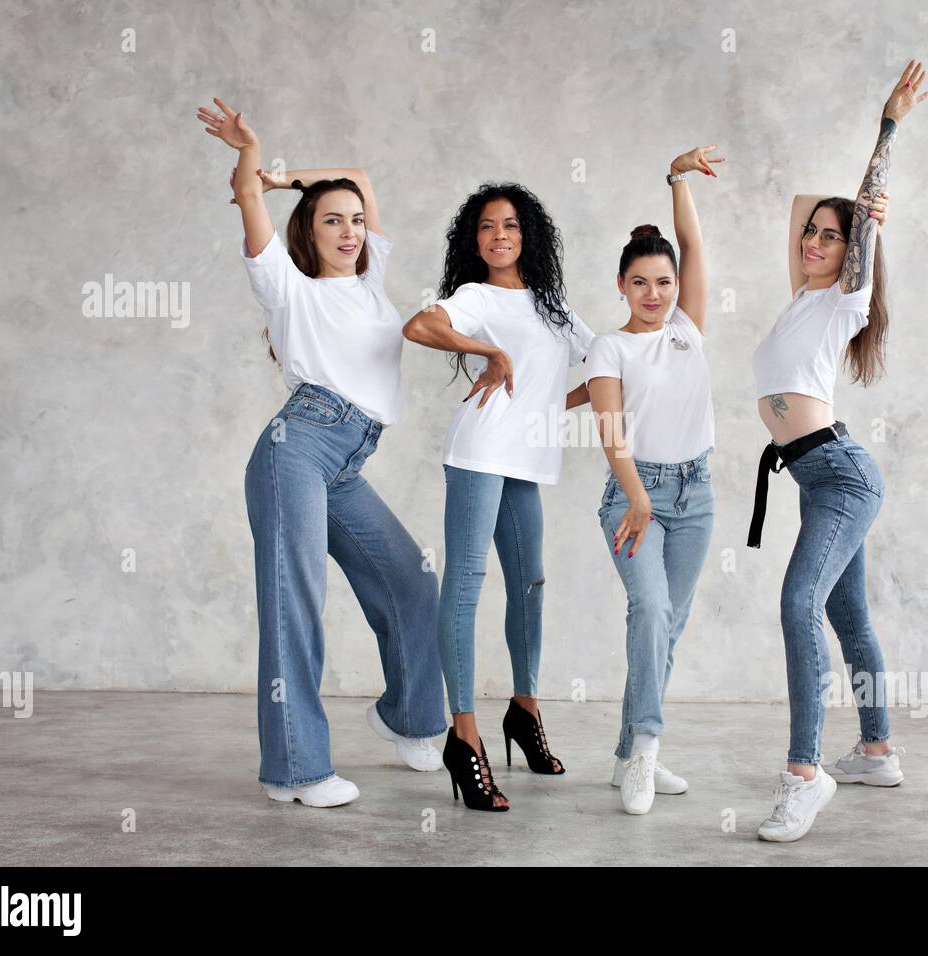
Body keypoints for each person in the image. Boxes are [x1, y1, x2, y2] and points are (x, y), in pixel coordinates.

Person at [197, 97, 447, 808]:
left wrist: (295, 178)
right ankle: (296, 771)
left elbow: (361, 175)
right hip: (297, 447)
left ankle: (408, 715)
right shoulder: (286, 286)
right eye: (331, 219)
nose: (349, 229)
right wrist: (256, 164)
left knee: (411, 582)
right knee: (296, 604)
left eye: (356, 221)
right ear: (307, 232)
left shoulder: (372, 285)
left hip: (346, 462)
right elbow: (247, 197)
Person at [746, 61, 928, 842]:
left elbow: (851, 225)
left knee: (798, 604)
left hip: (841, 474)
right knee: (848, 614)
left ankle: (804, 773)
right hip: (815, 477)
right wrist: (840, 210)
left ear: (852, 250)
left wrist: (884, 142)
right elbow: (801, 210)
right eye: (810, 235)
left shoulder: (846, 298)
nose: (814, 241)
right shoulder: (801, 297)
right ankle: (877, 749)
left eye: (831, 236)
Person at [403, 183, 595, 812]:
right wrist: (486, 348)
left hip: (525, 461)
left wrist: (547, 409)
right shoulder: (473, 297)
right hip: (479, 452)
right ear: (474, 239)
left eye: (510, 225)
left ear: (528, 234)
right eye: (487, 227)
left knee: (530, 582)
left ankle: (525, 707)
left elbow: (603, 366)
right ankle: (463, 737)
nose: (499, 236)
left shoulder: (554, 306)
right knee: (465, 582)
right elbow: (419, 325)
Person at [585, 146, 721, 814]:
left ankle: (624, 757)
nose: (655, 294)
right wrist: (637, 497)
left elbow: (691, 242)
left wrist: (676, 177)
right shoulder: (609, 347)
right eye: (640, 283)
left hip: (697, 494)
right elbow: (611, 431)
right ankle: (646, 752)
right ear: (621, 285)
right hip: (633, 497)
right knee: (652, 610)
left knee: (668, 626)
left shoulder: (687, 328)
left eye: (663, 282)